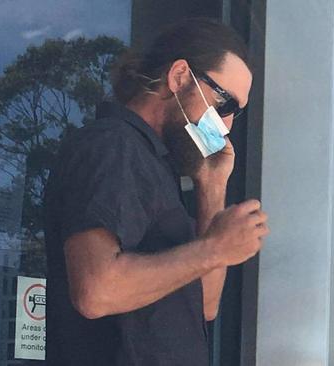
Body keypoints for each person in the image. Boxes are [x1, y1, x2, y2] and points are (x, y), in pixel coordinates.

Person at [43, 19, 269, 366]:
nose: (226, 125)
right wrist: (214, 247)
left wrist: (212, 185)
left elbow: (205, 305)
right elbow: (96, 291)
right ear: (180, 77)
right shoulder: (113, 145)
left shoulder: (158, 165)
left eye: (236, 114)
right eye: (224, 104)